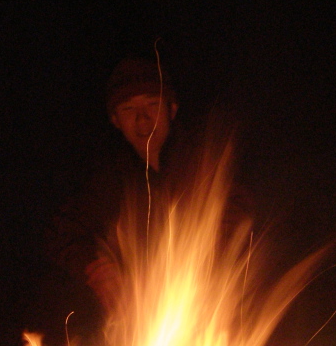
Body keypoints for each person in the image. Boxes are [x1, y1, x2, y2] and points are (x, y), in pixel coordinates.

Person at [45, 57, 252, 317]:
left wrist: (206, 255)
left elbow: (238, 212)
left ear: (172, 109)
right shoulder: (109, 181)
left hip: (216, 314)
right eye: (129, 108)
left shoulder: (207, 163)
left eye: (153, 104)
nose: (142, 119)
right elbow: (62, 233)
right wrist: (97, 268)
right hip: (143, 322)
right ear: (115, 120)